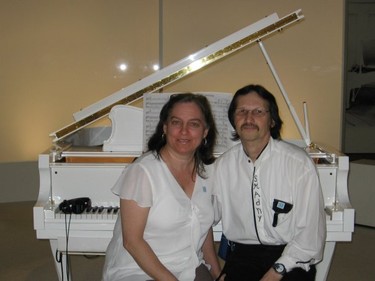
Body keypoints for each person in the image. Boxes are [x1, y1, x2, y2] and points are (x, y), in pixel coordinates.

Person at [102, 93, 221, 281]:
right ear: (165, 127)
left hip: (188, 266)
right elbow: (132, 242)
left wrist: (217, 274)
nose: (184, 131)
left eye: (194, 124)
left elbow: (201, 227)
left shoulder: (208, 173)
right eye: (176, 122)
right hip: (138, 270)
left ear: (205, 131)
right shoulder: (142, 172)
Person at [213, 84, 326, 281]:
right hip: (242, 256)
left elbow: (310, 235)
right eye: (242, 112)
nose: (249, 118)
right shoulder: (222, 165)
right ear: (233, 119)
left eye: (258, 111)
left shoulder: (298, 163)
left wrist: (277, 271)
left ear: (272, 120)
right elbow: (204, 215)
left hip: (290, 257)